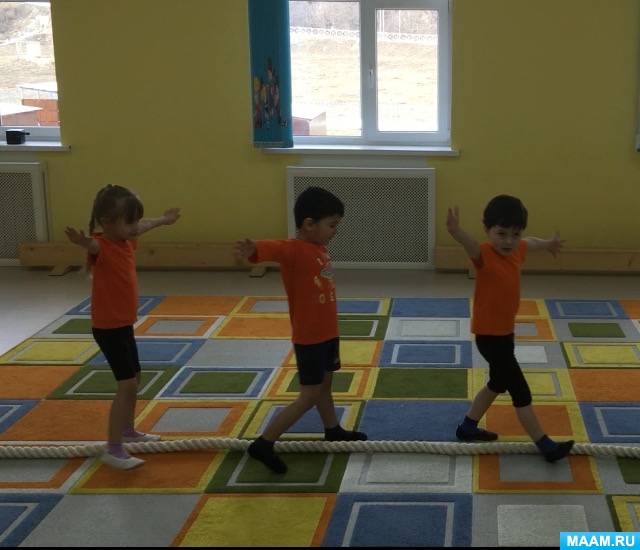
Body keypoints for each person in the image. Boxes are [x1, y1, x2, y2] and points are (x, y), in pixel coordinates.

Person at [234, 186, 367, 474]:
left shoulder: (320, 249)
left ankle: (332, 430)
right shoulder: (295, 249)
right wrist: (254, 249)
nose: (335, 231)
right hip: (310, 338)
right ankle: (264, 443)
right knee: (309, 395)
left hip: (328, 332)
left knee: (326, 385)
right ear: (309, 224)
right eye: (331, 225)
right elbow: (274, 248)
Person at [447, 194, 574, 462]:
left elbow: (531, 242)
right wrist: (456, 231)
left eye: (515, 234)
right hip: (489, 337)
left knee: (497, 383)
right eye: (501, 233)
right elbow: (470, 245)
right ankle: (545, 445)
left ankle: (467, 427)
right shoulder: (483, 255)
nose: (508, 241)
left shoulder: (518, 249)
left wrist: (548, 243)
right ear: (487, 230)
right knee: (520, 391)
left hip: (506, 334)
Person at [65, 184, 180, 469]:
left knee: (135, 378)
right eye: (129, 222)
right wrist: (82, 242)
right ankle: (113, 448)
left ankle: (128, 431)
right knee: (126, 385)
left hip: (124, 323)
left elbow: (145, 225)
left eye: (135, 221)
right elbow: (93, 246)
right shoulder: (102, 246)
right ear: (107, 222)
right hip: (108, 328)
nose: (135, 227)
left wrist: (164, 220)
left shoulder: (127, 240)